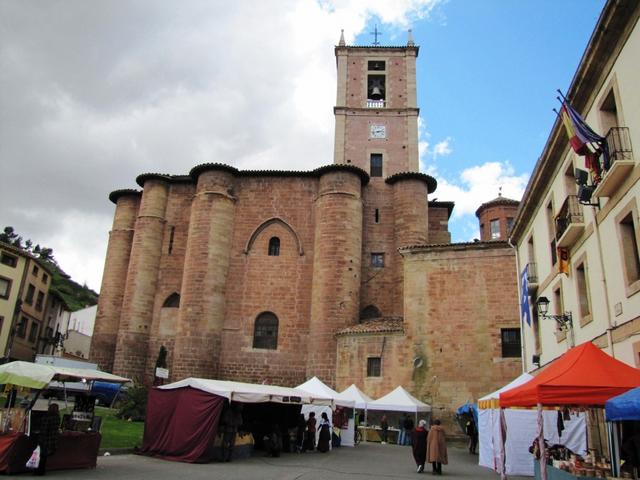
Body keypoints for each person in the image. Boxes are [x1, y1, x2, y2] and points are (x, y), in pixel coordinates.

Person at [35, 403, 60, 476]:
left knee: (41, 456)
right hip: (52, 439)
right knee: (44, 456)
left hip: (44, 438)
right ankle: (41, 471)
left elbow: (44, 429)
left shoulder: (46, 417)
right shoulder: (57, 417)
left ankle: (38, 471)